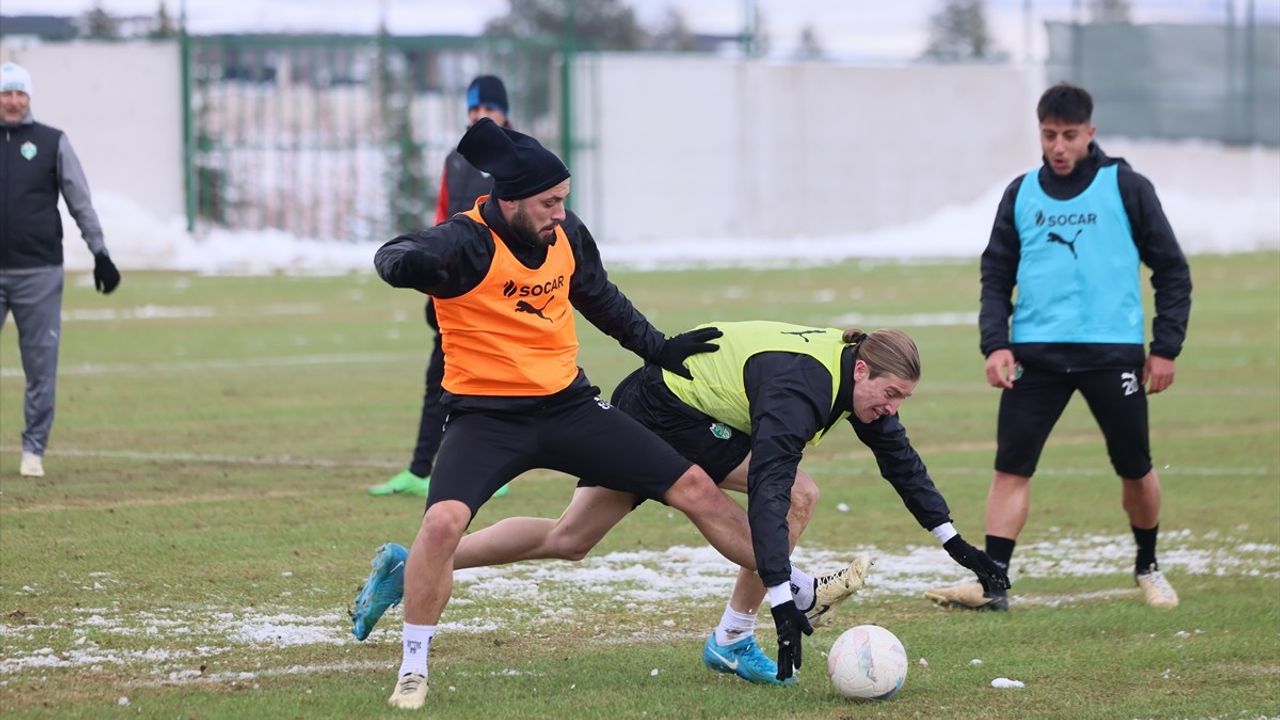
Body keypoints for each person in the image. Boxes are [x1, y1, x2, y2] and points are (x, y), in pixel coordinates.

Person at [371, 119, 850, 710]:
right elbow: (397, 252)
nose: (560, 211)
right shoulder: (465, 242)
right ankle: (413, 667)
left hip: (570, 408)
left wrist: (658, 347)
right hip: (486, 420)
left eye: (564, 199)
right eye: (549, 201)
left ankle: (788, 586)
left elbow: (597, 295)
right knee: (441, 526)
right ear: (510, 199)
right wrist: (405, 265)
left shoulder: (565, 234)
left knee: (690, 488)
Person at [351, 321, 1010, 688]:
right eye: (890, 394)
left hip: (668, 403)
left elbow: (901, 463)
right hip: (666, 408)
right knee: (796, 495)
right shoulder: (805, 389)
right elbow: (775, 483)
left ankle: (418, 566)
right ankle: (733, 637)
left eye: (903, 401)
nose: (891, 410)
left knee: (569, 538)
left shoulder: (854, 377)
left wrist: (954, 542)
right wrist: (788, 594)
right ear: (864, 371)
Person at [925, 82, 1192, 613]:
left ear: (1090, 133)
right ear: (1040, 133)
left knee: (1134, 467)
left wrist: (1165, 348)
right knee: (1011, 468)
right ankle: (993, 582)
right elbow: (996, 274)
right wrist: (995, 345)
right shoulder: (1021, 192)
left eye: (1070, 135)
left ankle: (1148, 566)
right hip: (1036, 356)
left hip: (1112, 353)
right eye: (1049, 135)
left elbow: (1172, 270)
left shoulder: (1127, 186)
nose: (1059, 147)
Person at [369, 75, 513, 499]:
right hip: (455, 287)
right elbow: (444, 219)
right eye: (473, 109)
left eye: (488, 108)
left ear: (503, 112)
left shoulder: (519, 156)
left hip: (498, 289)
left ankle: (497, 471)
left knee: (498, 382)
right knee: (441, 378)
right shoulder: (456, 158)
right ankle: (419, 469)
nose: (480, 116)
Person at [0, 62, 120, 478]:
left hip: (39, 272)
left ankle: (33, 450)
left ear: (28, 98)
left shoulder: (52, 142)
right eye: (6, 93)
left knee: (40, 366)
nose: (13, 101)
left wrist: (99, 252)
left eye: (20, 93)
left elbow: (79, 200)